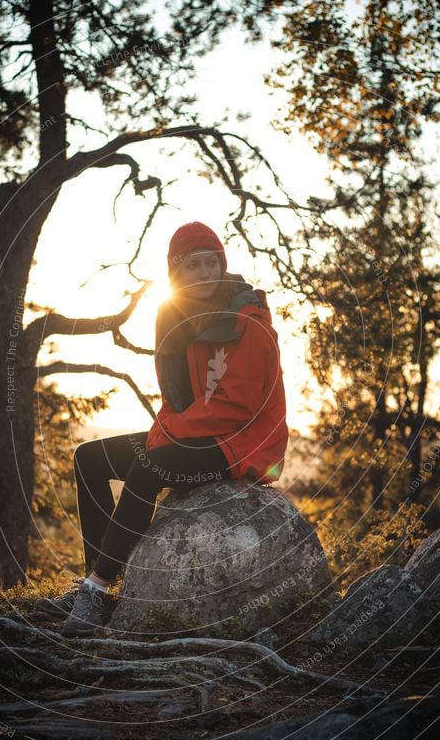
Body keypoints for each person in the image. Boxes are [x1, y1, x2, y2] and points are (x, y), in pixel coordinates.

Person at [36, 221, 289, 637]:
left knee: (149, 465)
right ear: (175, 273)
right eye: (193, 266)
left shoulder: (247, 319)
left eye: (213, 263)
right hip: (203, 432)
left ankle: (96, 589)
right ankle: (97, 582)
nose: (205, 273)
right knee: (90, 459)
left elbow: (237, 407)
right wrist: (164, 430)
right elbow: (177, 398)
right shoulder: (183, 317)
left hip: (244, 444)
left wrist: (166, 436)